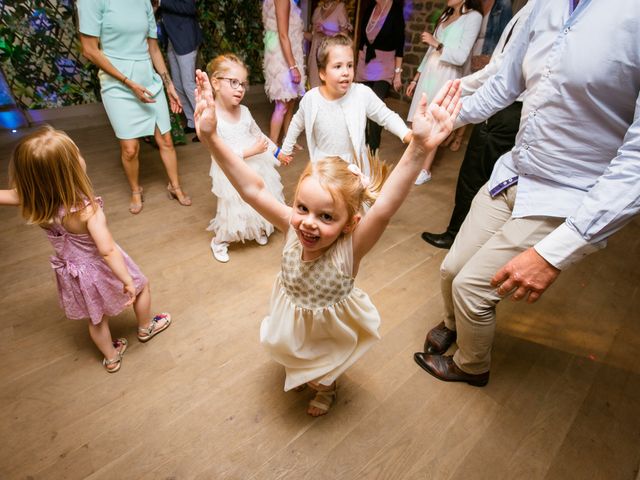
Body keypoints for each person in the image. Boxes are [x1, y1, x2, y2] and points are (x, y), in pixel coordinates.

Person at [193, 68, 462, 415]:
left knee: (322, 364)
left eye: (326, 217)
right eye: (302, 207)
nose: (308, 223)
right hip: (291, 310)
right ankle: (308, 370)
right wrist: (212, 139)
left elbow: (384, 209)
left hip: (327, 325)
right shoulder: (292, 224)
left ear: (351, 224)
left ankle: (326, 387)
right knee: (294, 349)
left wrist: (419, 149)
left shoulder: (351, 249)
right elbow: (252, 188)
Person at [414, 0, 640, 387]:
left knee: (472, 288)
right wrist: (451, 117)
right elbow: (505, 82)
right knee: (452, 269)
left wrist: (555, 253)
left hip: (567, 193)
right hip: (514, 173)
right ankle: (456, 324)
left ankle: (472, 365)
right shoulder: (545, 5)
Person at [0, 127, 172, 373]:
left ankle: (111, 357)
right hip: (101, 267)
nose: (81, 156)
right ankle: (145, 328)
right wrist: (126, 280)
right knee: (142, 287)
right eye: (76, 154)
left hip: (73, 273)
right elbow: (107, 250)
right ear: (70, 170)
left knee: (96, 317)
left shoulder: (31, 199)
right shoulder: (87, 209)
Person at [421, 1, 531, 250]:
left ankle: (461, 239)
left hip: (510, 108)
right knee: (478, 172)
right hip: (504, 103)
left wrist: (454, 95)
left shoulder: (535, 13)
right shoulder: (529, 10)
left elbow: (501, 71)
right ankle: (462, 237)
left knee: (478, 175)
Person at [77, 0, 192, 214]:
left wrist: (168, 85)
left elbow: (154, 49)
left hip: (148, 80)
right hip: (117, 84)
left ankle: (175, 186)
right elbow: (89, 50)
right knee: (130, 149)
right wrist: (127, 82)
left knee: (166, 139)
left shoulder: (143, 2)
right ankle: (135, 190)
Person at [281, 34, 411, 175]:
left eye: (349, 65)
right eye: (338, 66)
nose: (346, 72)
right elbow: (297, 122)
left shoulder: (361, 94)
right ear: (323, 73)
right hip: (325, 167)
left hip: (354, 166)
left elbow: (386, 116)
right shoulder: (311, 99)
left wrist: (406, 133)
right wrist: (286, 149)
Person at [205, 54, 287, 263]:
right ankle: (221, 240)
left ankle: (258, 227)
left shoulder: (245, 111)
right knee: (234, 209)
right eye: (233, 82)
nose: (240, 88)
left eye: (243, 84)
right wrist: (252, 150)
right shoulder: (213, 119)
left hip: (256, 167)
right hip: (231, 172)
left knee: (260, 201)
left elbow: (261, 137)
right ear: (215, 83)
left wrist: (278, 152)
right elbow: (222, 155)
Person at [406, 0, 483, 185]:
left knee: (434, 122)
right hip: (429, 72)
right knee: (419, 119)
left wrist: (437, 44)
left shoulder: (474, 17)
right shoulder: (445, 15)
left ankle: (425, 170)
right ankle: (411, 164)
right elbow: (428, 52)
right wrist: (416, 78)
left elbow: (461, 56)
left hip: (447, 73)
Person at [444, 0, 512, 152]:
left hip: (487, 54)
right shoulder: (473, 4)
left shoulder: (503, 5)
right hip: (470, 51)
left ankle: (459, 136)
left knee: (476, 94)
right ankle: (451, 129)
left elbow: (505, 36)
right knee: (464, 92)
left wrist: (488, 59)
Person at [355, 0, 406, 153]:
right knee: (361, 105)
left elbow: (400, 45)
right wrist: (355, 66)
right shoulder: (370, 8)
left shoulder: (395, 10)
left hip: (384, 66)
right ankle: (362, 143)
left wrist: (397, 74)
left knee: (376, 105)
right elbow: (361, 41)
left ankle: (373, 146)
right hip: (365, 63)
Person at [157, 0, 203, 141]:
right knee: (177, 84)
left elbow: (190, 7)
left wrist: (160, 2)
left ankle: (204, 127)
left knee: (188, 84)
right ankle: (191, 122)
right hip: (172, 39)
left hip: (185, 38)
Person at [262, 0, 306, 143]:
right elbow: (283, 35)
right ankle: (272, 147)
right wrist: (293, 67)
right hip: (283, 58)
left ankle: (288, 140)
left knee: (290, 100)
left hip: (283, 53)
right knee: (282, 104)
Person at [307, 0, 352, 88]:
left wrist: (325, 31)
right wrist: (297, 32)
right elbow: (314, 38)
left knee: (330, 90)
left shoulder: (340, 8)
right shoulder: (317, 11)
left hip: (332, 57)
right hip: (315, 59)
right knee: (315, 90)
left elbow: (345, 37)